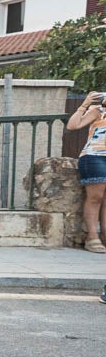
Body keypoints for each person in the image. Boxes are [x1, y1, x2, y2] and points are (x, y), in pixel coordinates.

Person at [66, 92, 106, 252]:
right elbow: (72, 125)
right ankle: (92, 237)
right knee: (96, 197)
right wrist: (85, 104)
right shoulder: (98, 111)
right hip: (95, 157)